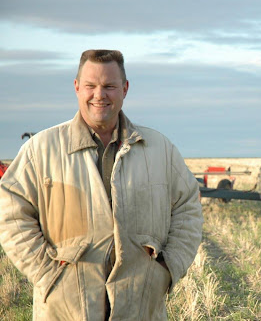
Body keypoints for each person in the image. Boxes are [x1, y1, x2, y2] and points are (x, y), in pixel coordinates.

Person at [0, 49, 203, 320]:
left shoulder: (159, 149)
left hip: (140, 306)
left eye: (109, 86)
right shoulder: (41, 149)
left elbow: (188, 207)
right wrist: (47, 274)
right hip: (65, 308)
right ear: (76, 88)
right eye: (90, 86)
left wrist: (167, 268)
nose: (99, 95)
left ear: (125, 89)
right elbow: (10, 215)